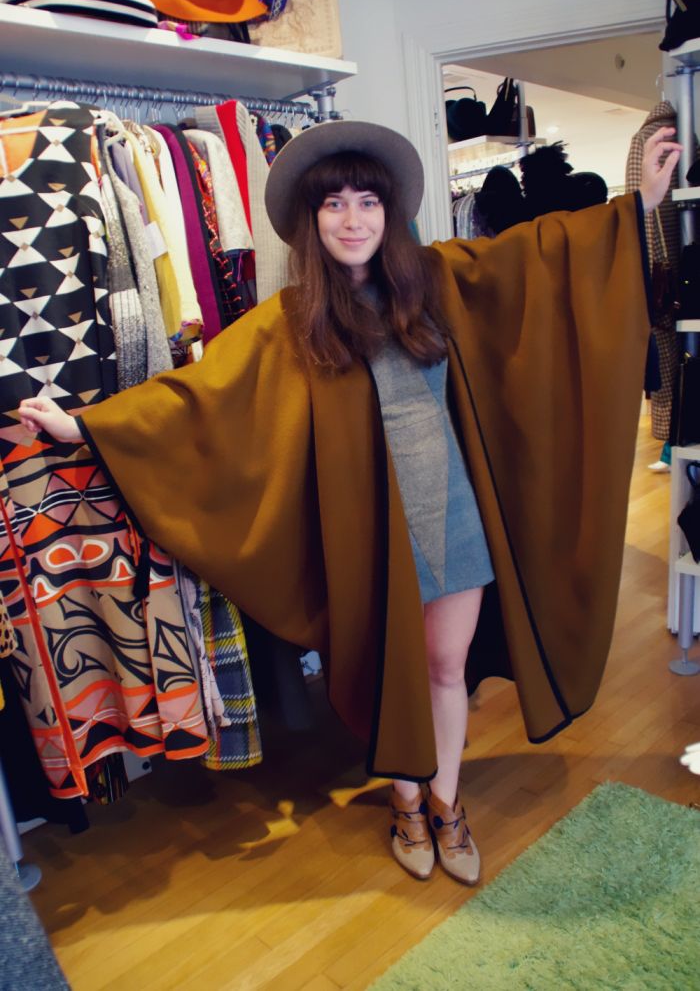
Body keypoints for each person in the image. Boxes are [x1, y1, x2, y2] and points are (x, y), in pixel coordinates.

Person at [17, 120, 680, 886]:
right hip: (366, 534)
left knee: (445, 665)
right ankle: (407, 804)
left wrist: (638, 205)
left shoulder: (440, 280)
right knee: (392, 673)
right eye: (334, 204)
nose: (353, 219)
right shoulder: (290, 322)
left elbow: (540, 262)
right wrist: (85, 426)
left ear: (389, 213)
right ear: (313, 221)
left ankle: (447, 803)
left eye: (368, 201)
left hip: (452, 514)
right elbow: (197, 399)